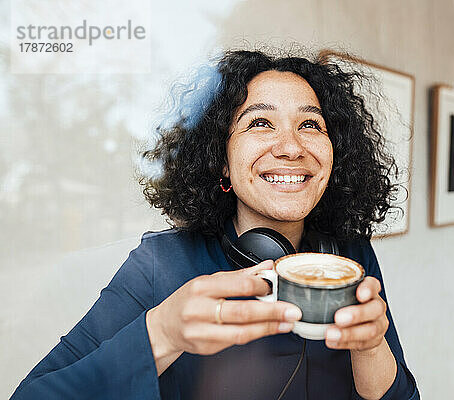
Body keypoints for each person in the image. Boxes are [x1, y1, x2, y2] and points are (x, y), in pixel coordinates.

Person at [11, 49, 419, 400]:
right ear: (221, 159)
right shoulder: (159, 263)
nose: (292, 147)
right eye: (260, 123)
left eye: (310, 125)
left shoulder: (348, 256)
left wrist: (369, 348)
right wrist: (162, 336)